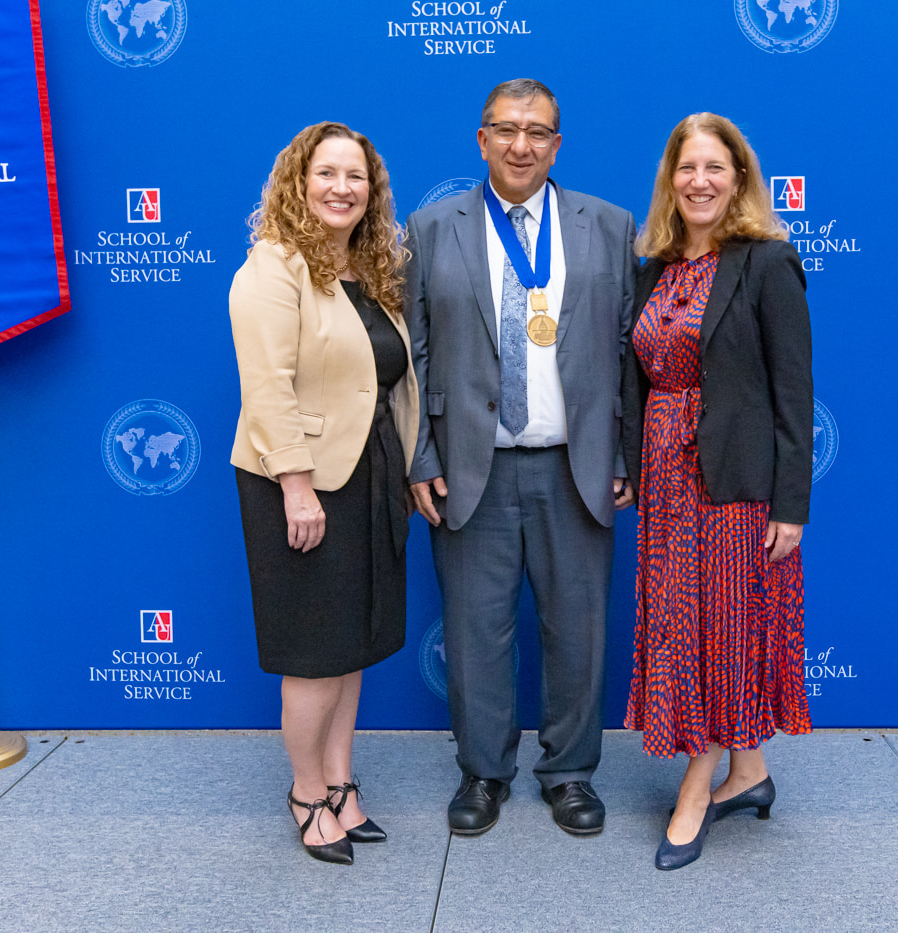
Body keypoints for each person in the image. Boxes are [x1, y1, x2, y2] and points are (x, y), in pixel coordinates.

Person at [404, 79, 638, 837]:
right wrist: (420, 456)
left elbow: (631, 355)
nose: (521, 144)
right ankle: (483, 771)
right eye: (506, 129)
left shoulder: (607, 225)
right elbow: (414, 356)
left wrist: (626, 450)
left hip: (578, 463)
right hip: (473, 464)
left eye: (538, 132)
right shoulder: (433, 227)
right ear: (481, 139)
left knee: (579, 630)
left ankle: (570, 771)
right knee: (475, 632)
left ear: (557, 145)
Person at [622, 113, 813, 870]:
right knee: (682, 626)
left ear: (739, 179)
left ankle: (696, 786)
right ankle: (749, 772)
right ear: (671, 179)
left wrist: (792, 504)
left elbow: (795, 393)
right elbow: (635, 378)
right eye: (687, 167)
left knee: (722, 629)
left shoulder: (766, 263)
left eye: (715, 168)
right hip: (665, 482)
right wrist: (631, 469)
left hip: (735, 484)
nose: (700, 181)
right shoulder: (656, 264)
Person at [228, 122, 418, 865]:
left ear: (372, 194)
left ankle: (341, 782)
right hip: (298, 483)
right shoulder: (272, 267)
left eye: (356, 177)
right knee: (313, 651)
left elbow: (384, 380)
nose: (342, 188)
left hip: (369, 474)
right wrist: (297, 487)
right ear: (298, 183)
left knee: (351, 644)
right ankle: (307, 792)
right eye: (327, 173)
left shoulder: (366, 271)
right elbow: (267, 385)